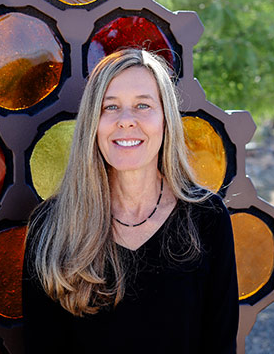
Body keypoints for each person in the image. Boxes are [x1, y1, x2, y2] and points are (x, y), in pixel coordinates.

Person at [22, 49, 238, 353]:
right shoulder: (52, 224)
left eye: (142, 105)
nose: (126, 121)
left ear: (166, 119)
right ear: (92, 123)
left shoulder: (207, 218)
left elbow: (221, 344)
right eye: (110, 107)